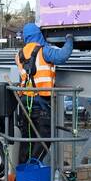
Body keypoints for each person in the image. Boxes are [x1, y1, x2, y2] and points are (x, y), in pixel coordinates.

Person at [14, 22, 74, 153]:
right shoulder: (44, 51)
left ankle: (24, 169)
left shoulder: (19, 55)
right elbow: (63, 55)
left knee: (27, 138)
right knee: (45, 138)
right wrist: (69, 40)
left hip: (25, 100)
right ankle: (33, 167)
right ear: (38, 35)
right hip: (41, 102)